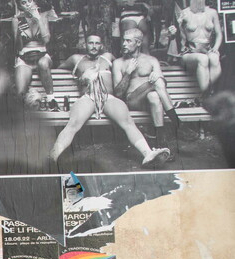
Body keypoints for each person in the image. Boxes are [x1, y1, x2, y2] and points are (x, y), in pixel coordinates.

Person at [49, 33, 171, 167]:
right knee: (73, 124)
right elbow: (57, 69)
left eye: (97, 43)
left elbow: (127, 61)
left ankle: (147, 154)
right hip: (88, 97)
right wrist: (81, 78)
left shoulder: (108, 57)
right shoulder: (76, 59)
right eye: (91, 43)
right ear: (85, 44)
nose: (94, 46)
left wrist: (155, 70)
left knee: (128, 122)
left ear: (101, 46)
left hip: (108, 97)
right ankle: (53, 157)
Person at [113, 28, 182, 149]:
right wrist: (128, 73)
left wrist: (157, 76)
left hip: (149, 101)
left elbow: (162, 85)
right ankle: (178, 124)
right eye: (123, 40)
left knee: (154, 95)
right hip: (132, 101)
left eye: (128, 41)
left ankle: (161, 142)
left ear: (138, 43)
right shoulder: (118, 63)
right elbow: (118, 94)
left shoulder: (151, 60)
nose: (124, 44)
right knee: (157, 82)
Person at [176, 0, 223, 98]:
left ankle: (212, 93)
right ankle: (206, 96)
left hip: (207, 49)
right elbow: (177, 35)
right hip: (189, 52)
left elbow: (219, 34)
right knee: (203, 59)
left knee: (214, 58)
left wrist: (216, 48)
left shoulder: (212, 12)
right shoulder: (184, 13)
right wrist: (177, 28)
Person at [14, 0, 56, 107]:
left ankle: (51, 100)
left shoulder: (43, 17)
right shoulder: (16, 20)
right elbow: (17, 46)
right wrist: (18, 30)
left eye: (29, 1)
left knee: (43, 63)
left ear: (35, 2)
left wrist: (38, 19)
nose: (28, 4)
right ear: (20, 6)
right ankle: (27, 108)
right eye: (23, 2)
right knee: (20, 93)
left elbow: (46, 40)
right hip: (24, 58)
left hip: (42, 56)